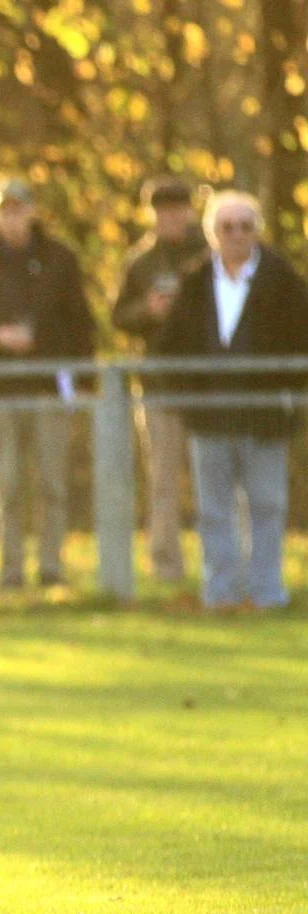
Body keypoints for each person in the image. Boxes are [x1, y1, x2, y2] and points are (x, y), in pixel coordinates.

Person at [157, 190, 308, 610]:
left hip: (265, 418)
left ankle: (267, 593)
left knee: (267, 505)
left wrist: (286, 395)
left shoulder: (285, 280)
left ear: (258, 231)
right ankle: (220, 592)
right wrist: (188, 398)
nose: (237, 234)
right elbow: (170, 347)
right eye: (228, 226)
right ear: (212, 233)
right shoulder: (194, 282)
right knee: (213, 511)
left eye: (246, 226)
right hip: (210, 418)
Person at [0, 176, 96, 590]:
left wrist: (85, 381)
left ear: (32, 211)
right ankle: (10, 572)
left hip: (51, 386)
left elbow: (82, 324)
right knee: (8, 484)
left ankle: (52, 569)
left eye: (18, 208)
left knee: (52, 483)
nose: (12, 217)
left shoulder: (61, 259)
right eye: (4, 210)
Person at [113, 177, 208, 584]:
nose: (171, 216)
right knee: (163, 481)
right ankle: (167, 568)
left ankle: (220, 565)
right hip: (159, 385)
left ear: (190, 210)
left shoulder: (211, 254)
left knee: (216, 482)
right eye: (163, 209)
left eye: (178, 207)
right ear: (152, 214)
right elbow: (119, 317)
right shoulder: (140, 262)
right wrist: (148, 310)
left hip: (209, 386)